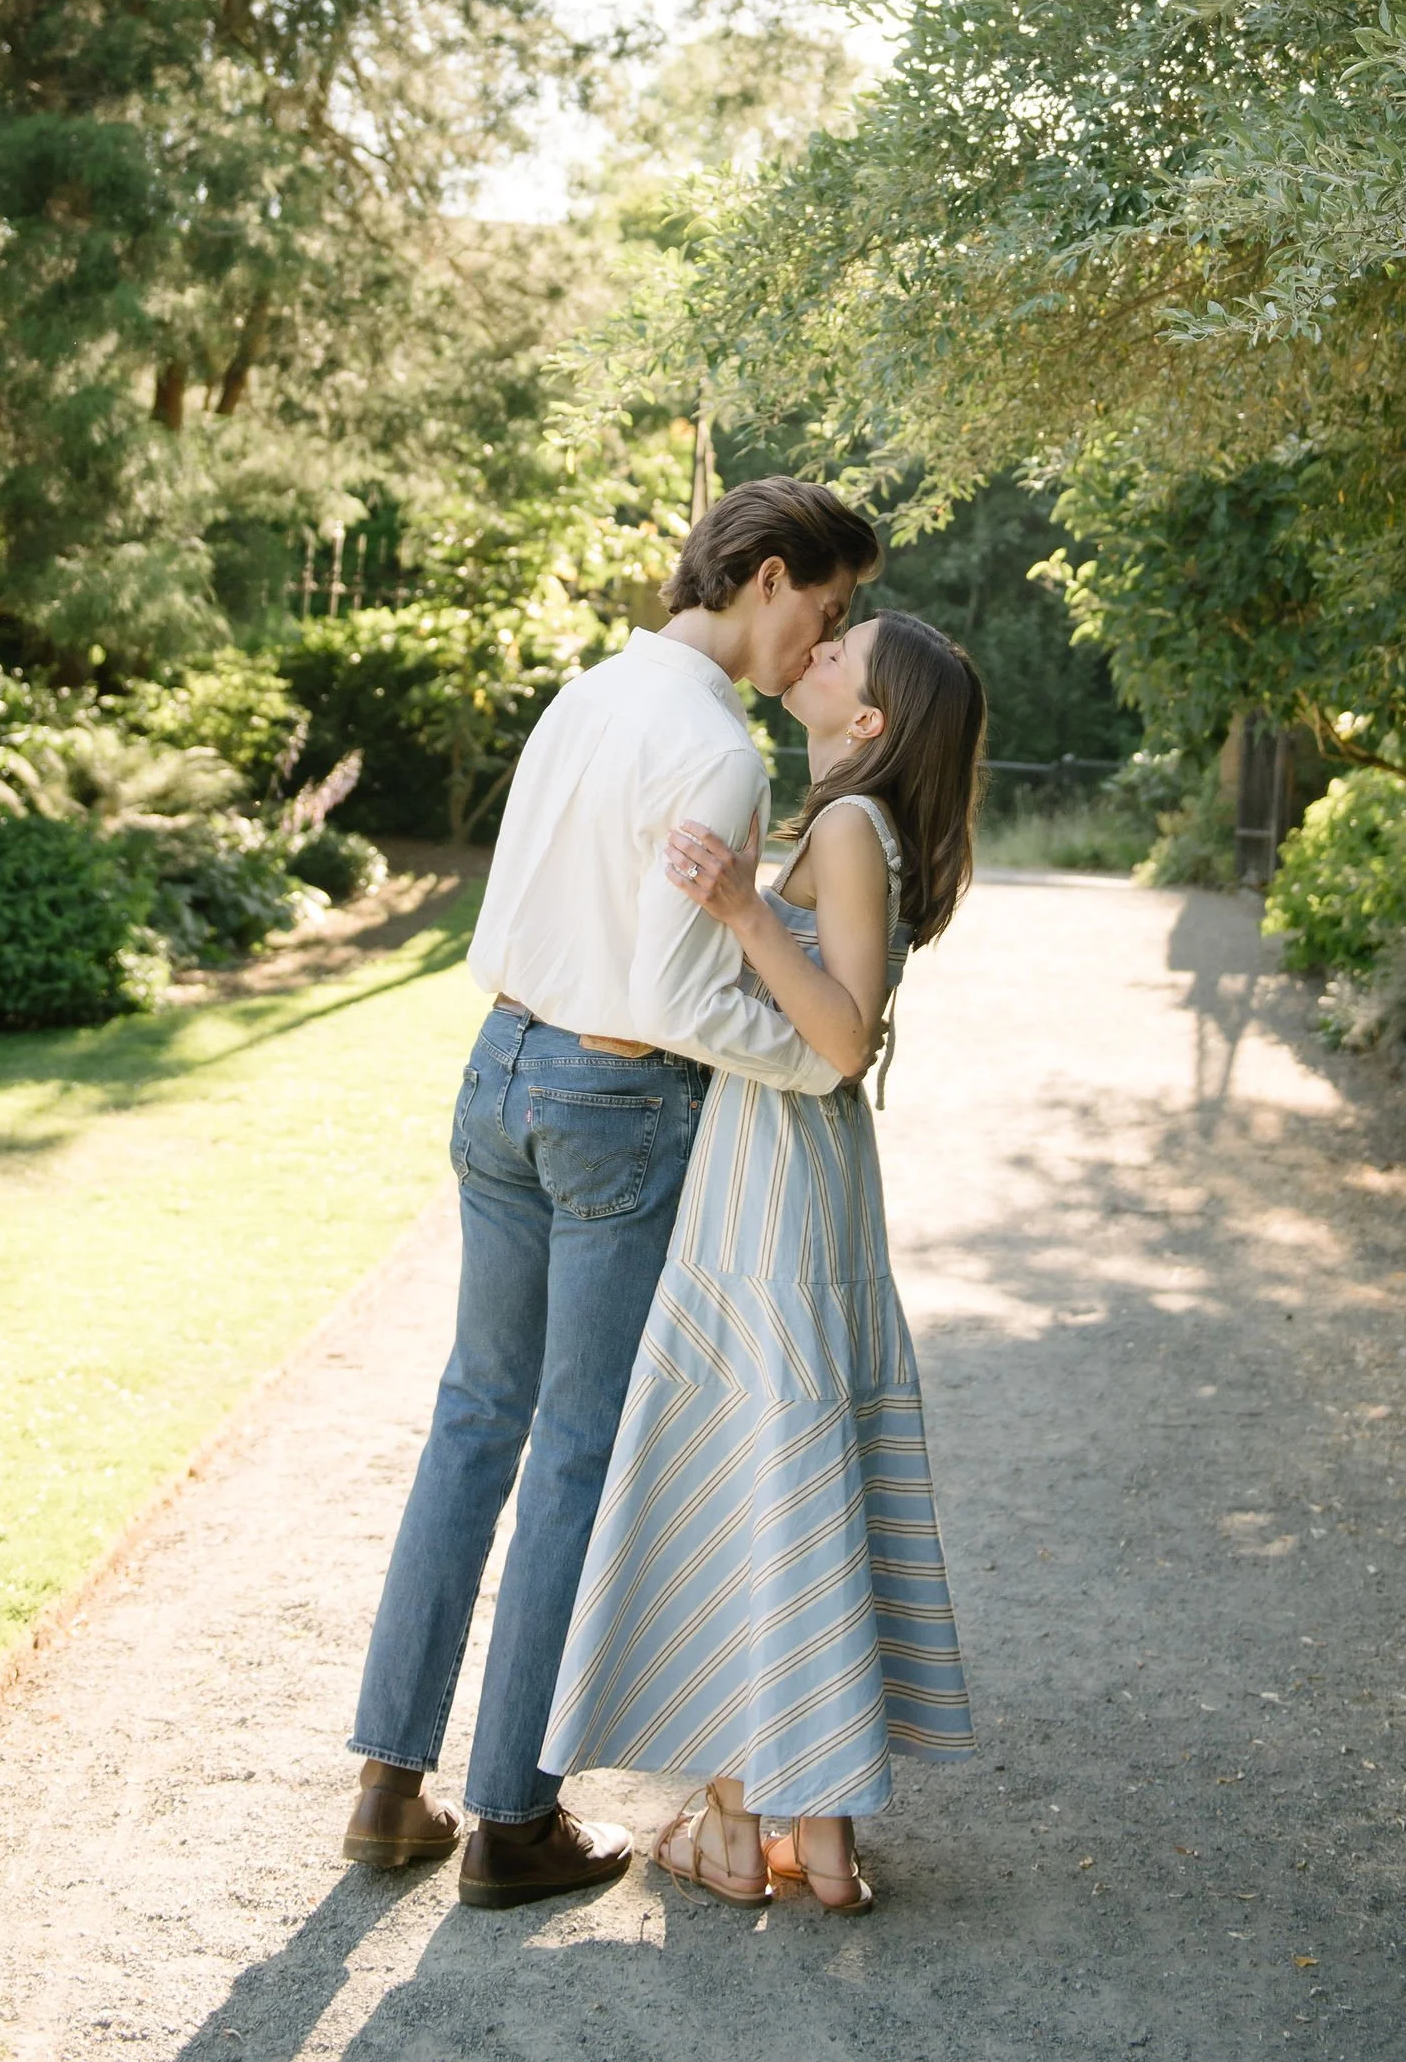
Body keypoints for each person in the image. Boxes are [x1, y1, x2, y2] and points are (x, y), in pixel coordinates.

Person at [341, 476, 883, 1909]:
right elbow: (674, 992)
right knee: (577, 1446)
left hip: (498, 1066)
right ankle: (512, 1823)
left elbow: (514, 905)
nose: (816, 648)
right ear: (766, 575)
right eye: (822, 614)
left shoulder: (584, 696)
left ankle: (387, 1792)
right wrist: (813, 1053)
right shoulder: (714, 749)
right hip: (611, 1098)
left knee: (473, 1421)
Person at [540, 609, 986, 1914]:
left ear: (871, 724)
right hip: (794, 1167)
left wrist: (738, 907)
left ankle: (747, 1828)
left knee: (759, 1466)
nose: (823, 647)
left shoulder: (849, 830)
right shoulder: (859, 828)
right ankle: (813, 1833)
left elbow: (841, 1035)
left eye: (849, 654)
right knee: (788, 1467)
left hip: (782, 1174)